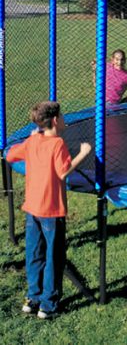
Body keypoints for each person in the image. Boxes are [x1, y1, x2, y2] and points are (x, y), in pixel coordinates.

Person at [6, 101, 92, 319]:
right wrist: (83, 153)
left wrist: (32, 138)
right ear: (54, 121)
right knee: (54, 256)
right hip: (51, 210)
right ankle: (48, 305)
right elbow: (63, 173)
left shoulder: (33, 139)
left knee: (34, 253)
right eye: (62, 116)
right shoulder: (57, 144)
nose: (64, 119)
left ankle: (32, 298)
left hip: (32, 208)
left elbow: (10, 156)